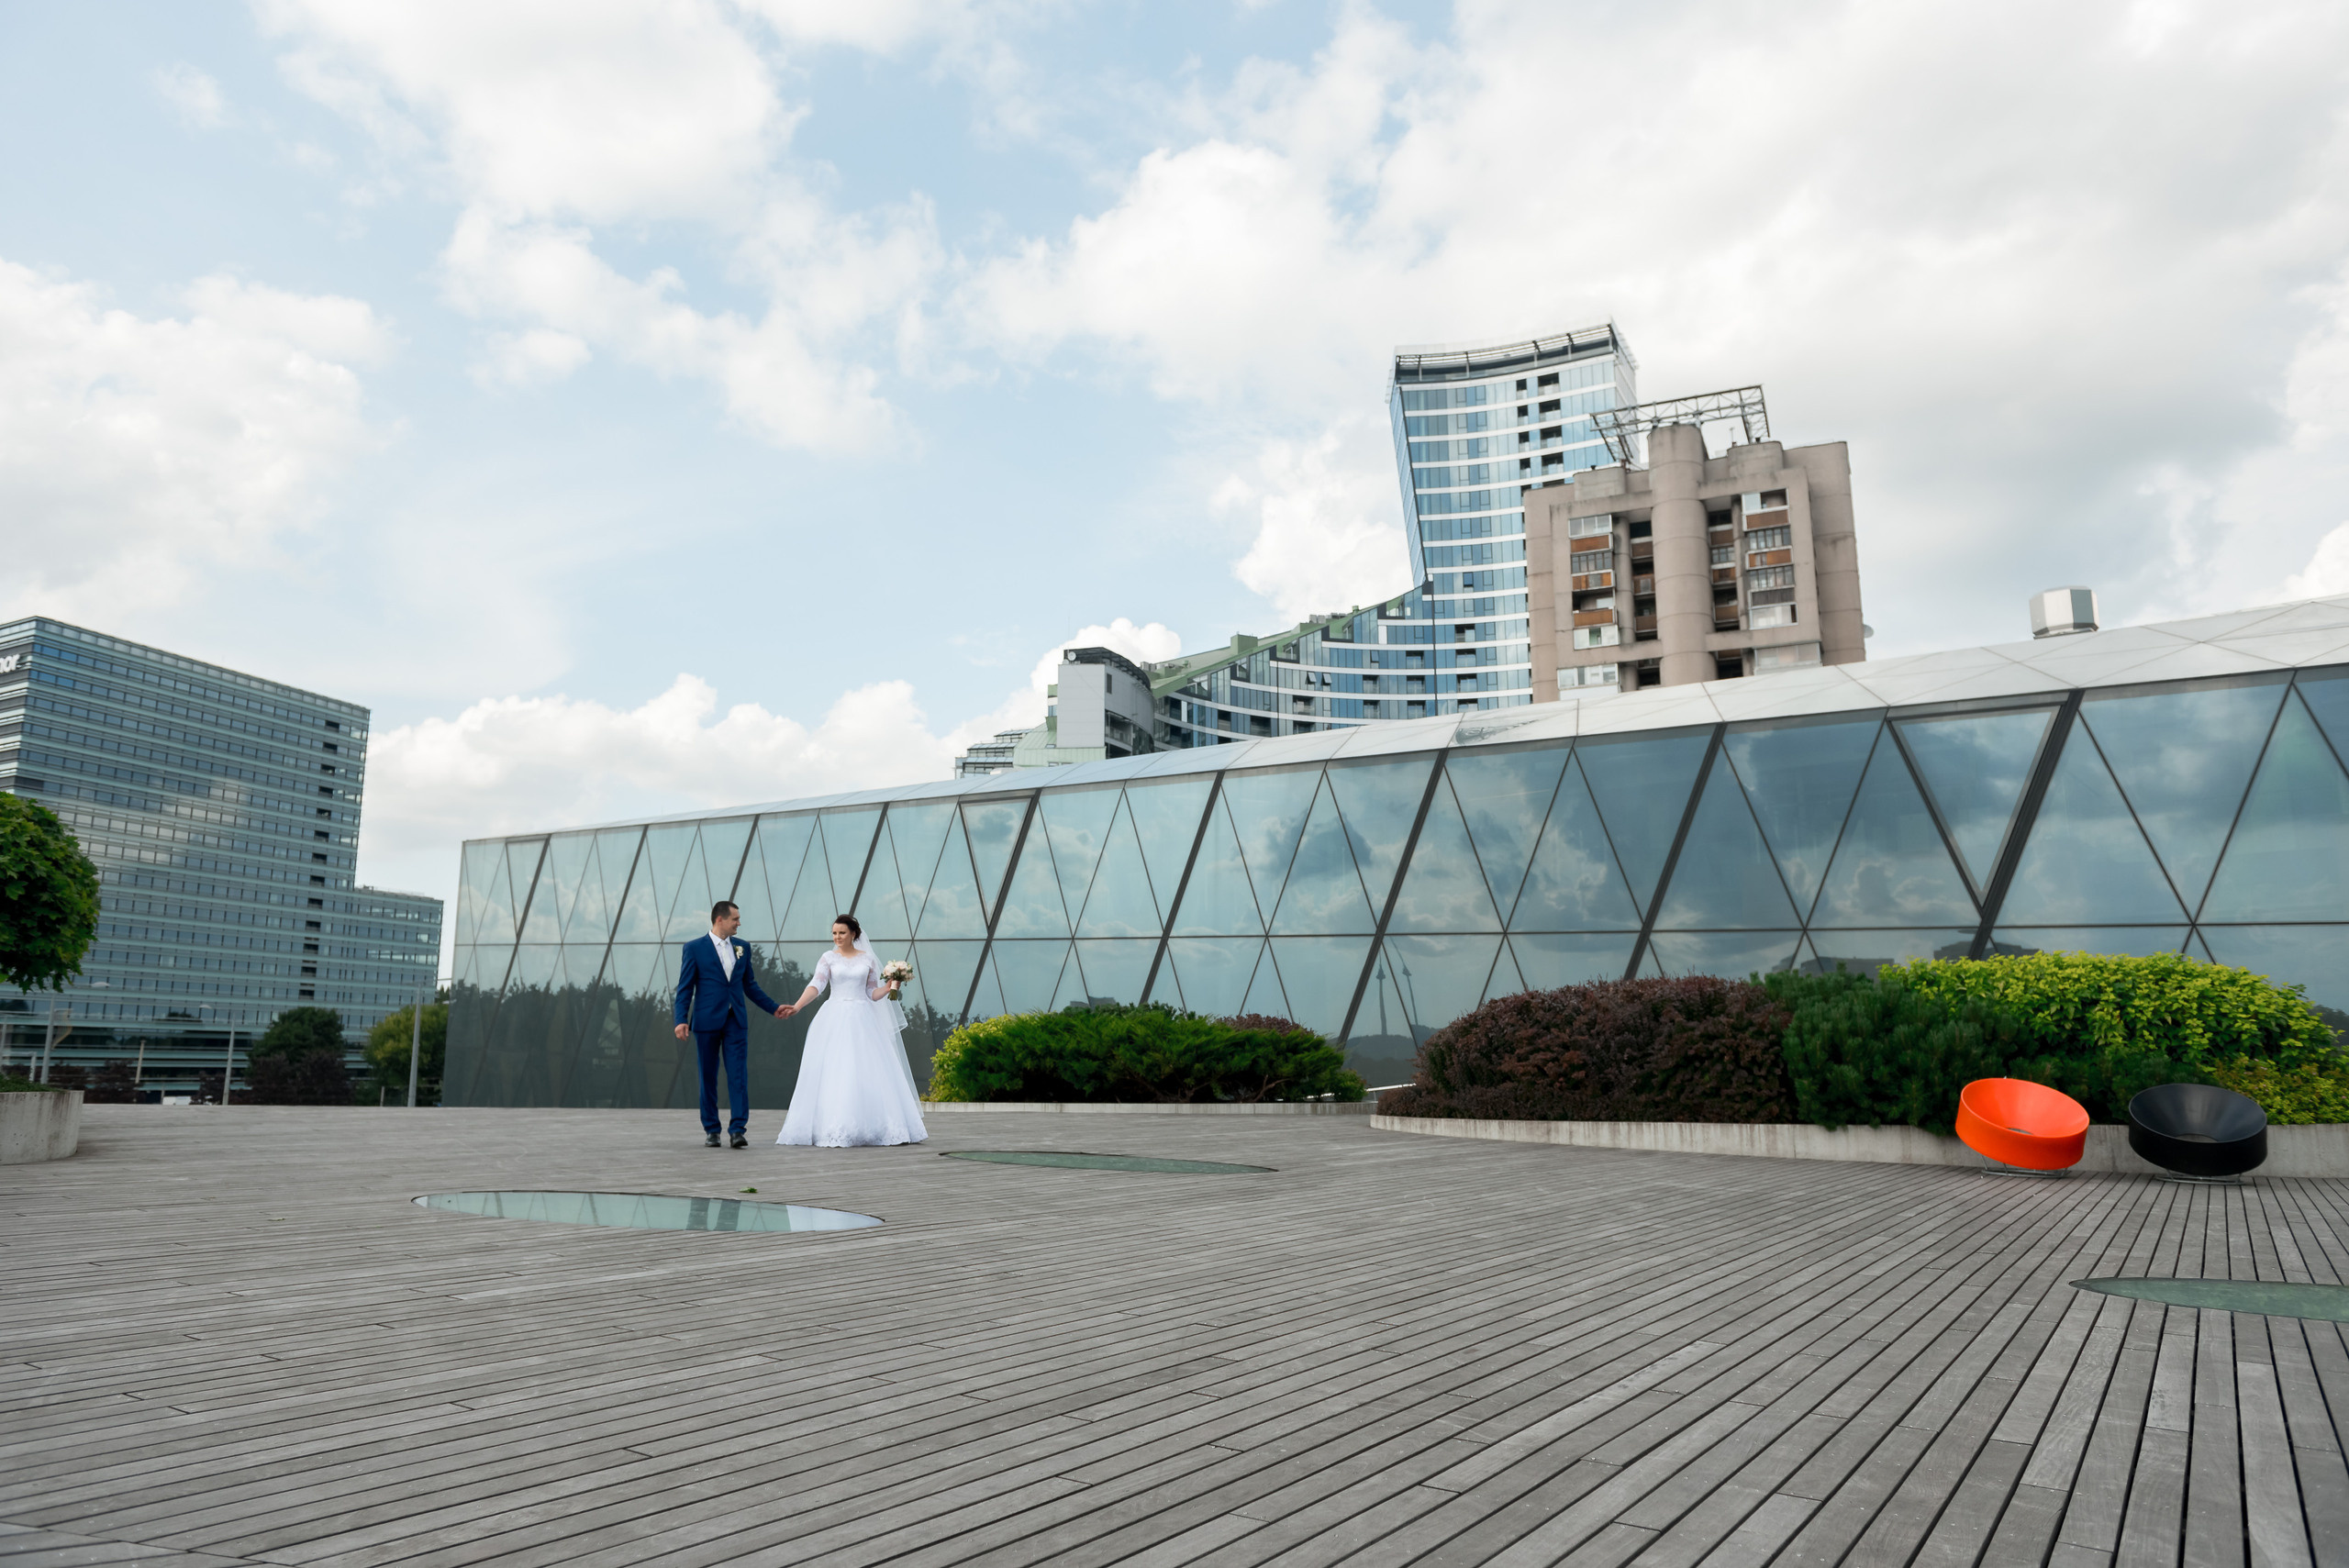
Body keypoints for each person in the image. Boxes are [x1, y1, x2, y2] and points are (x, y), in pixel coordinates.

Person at [775, 915, 928, 1148]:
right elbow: (816, 985)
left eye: (842, 933)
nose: (837, 937)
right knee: (837, 1070)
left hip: (863, 1018)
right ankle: (834, 1126)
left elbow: (871, 994)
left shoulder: (867, 960)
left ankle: (875, 1126)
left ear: (854, 934)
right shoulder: (828, 958)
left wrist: (889, 987)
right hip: (834, 1017)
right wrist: (797, 1006)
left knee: (865, 1069)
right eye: (834, 933)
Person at [673, 900, 785, 1148]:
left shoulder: (742, 947)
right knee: (708, 1077)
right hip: (706, 1021)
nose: (739, 923)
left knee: (738, 1077)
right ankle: (712, 1130)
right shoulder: (693, 948)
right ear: (719, 920)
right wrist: (680, 1020)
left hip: (736, 1021)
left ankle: (737, 1130)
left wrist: (773, 1007)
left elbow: (750, 985)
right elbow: (685, 987)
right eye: (735, 919)